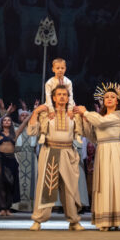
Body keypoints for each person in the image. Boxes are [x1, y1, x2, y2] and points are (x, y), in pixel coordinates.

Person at [27, 86, 87, 230]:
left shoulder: (74, 115)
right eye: (59, 94)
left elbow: (85, 131)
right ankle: (38, 220)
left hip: (68, 152)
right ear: (53, 98)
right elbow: (32, 131)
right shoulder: (46, 114)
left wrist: (84, 113)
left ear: (68, 98)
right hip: (50, 151)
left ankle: (74, 221)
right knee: (47, 187)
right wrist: (35, 112)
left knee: (69, 188)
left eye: (64, 94)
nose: (62, 97)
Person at [75, 82, 120, 231]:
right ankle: (105, 219)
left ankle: (114, 219)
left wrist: (86, 113)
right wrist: (84, 120)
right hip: (102, 150)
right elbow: (93, 137)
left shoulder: (118, 115)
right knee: (103, 184)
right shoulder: (100, 116)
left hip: (114, 149)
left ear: (117, 101)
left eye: (112, 97)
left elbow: (101, 122)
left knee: (113, 183)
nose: (109, 99)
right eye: (106, 97)